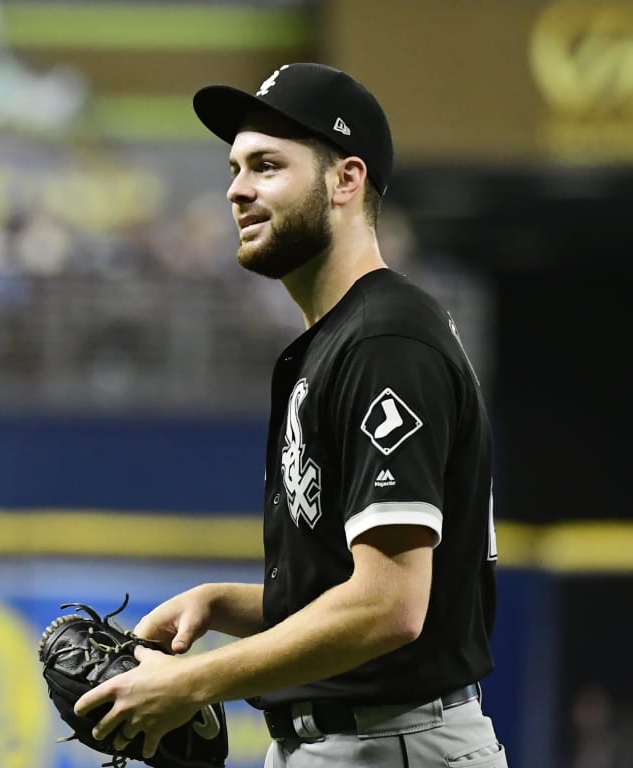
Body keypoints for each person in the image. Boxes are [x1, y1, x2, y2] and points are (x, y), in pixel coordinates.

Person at [73, 63, 504, 767]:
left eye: (268, 166)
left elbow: (390, 606)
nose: (236, 190)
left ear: (345, 180)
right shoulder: (341, 339)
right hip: (354, 739)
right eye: (236, 168)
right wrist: (222, 604)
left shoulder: (384, 340)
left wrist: (192, 681)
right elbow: (349, 588)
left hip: (393, 745)